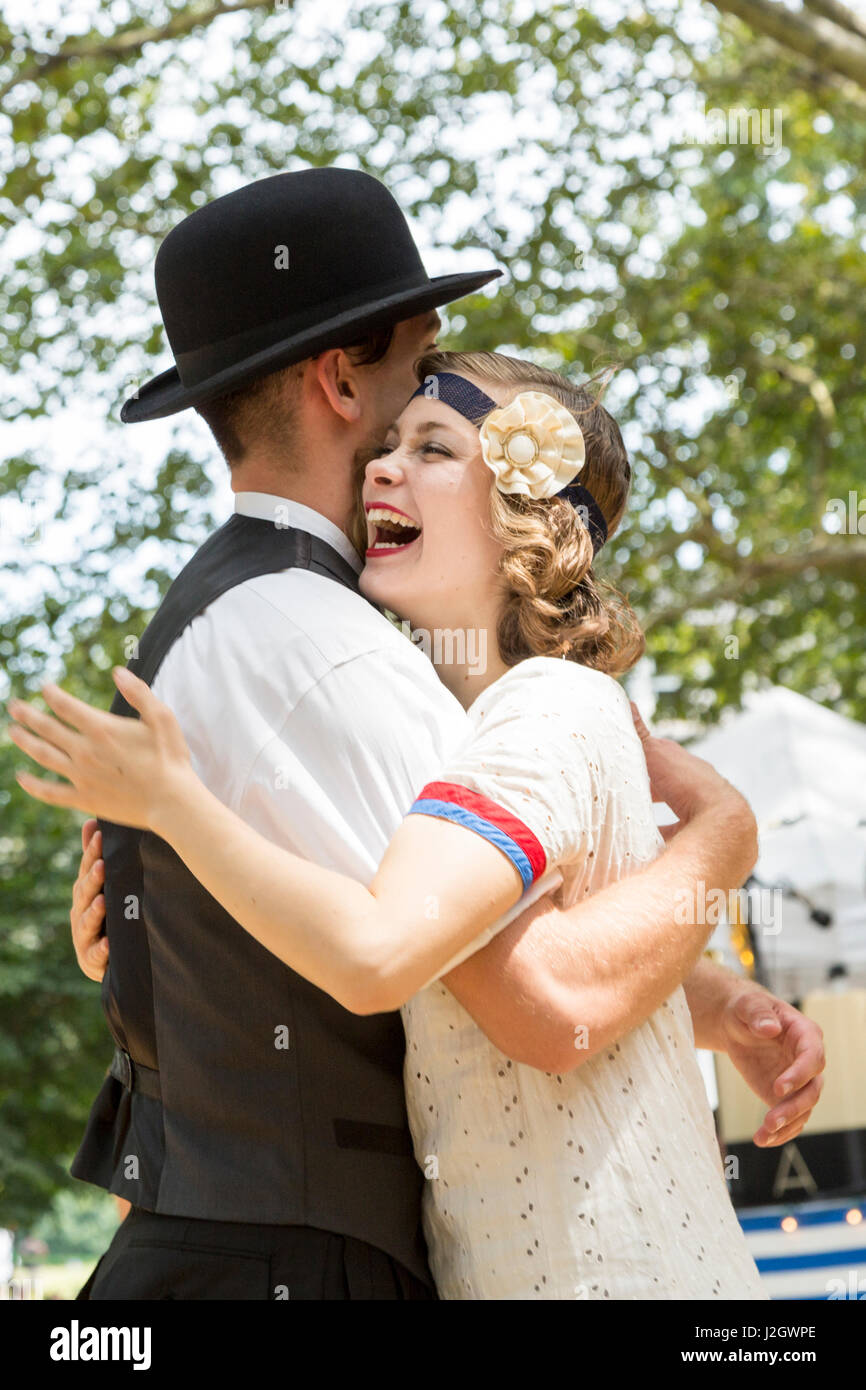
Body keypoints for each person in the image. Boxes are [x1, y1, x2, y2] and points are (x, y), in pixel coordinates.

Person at [11, 347, 825, 1297]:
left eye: (434, 448)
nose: (381, 467)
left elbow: (537, 999)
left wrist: (726, 830)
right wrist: (165, 917)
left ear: (527, 518)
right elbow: (531, 953)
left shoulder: (545, 709)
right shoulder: (446, 738)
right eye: (387, 444)